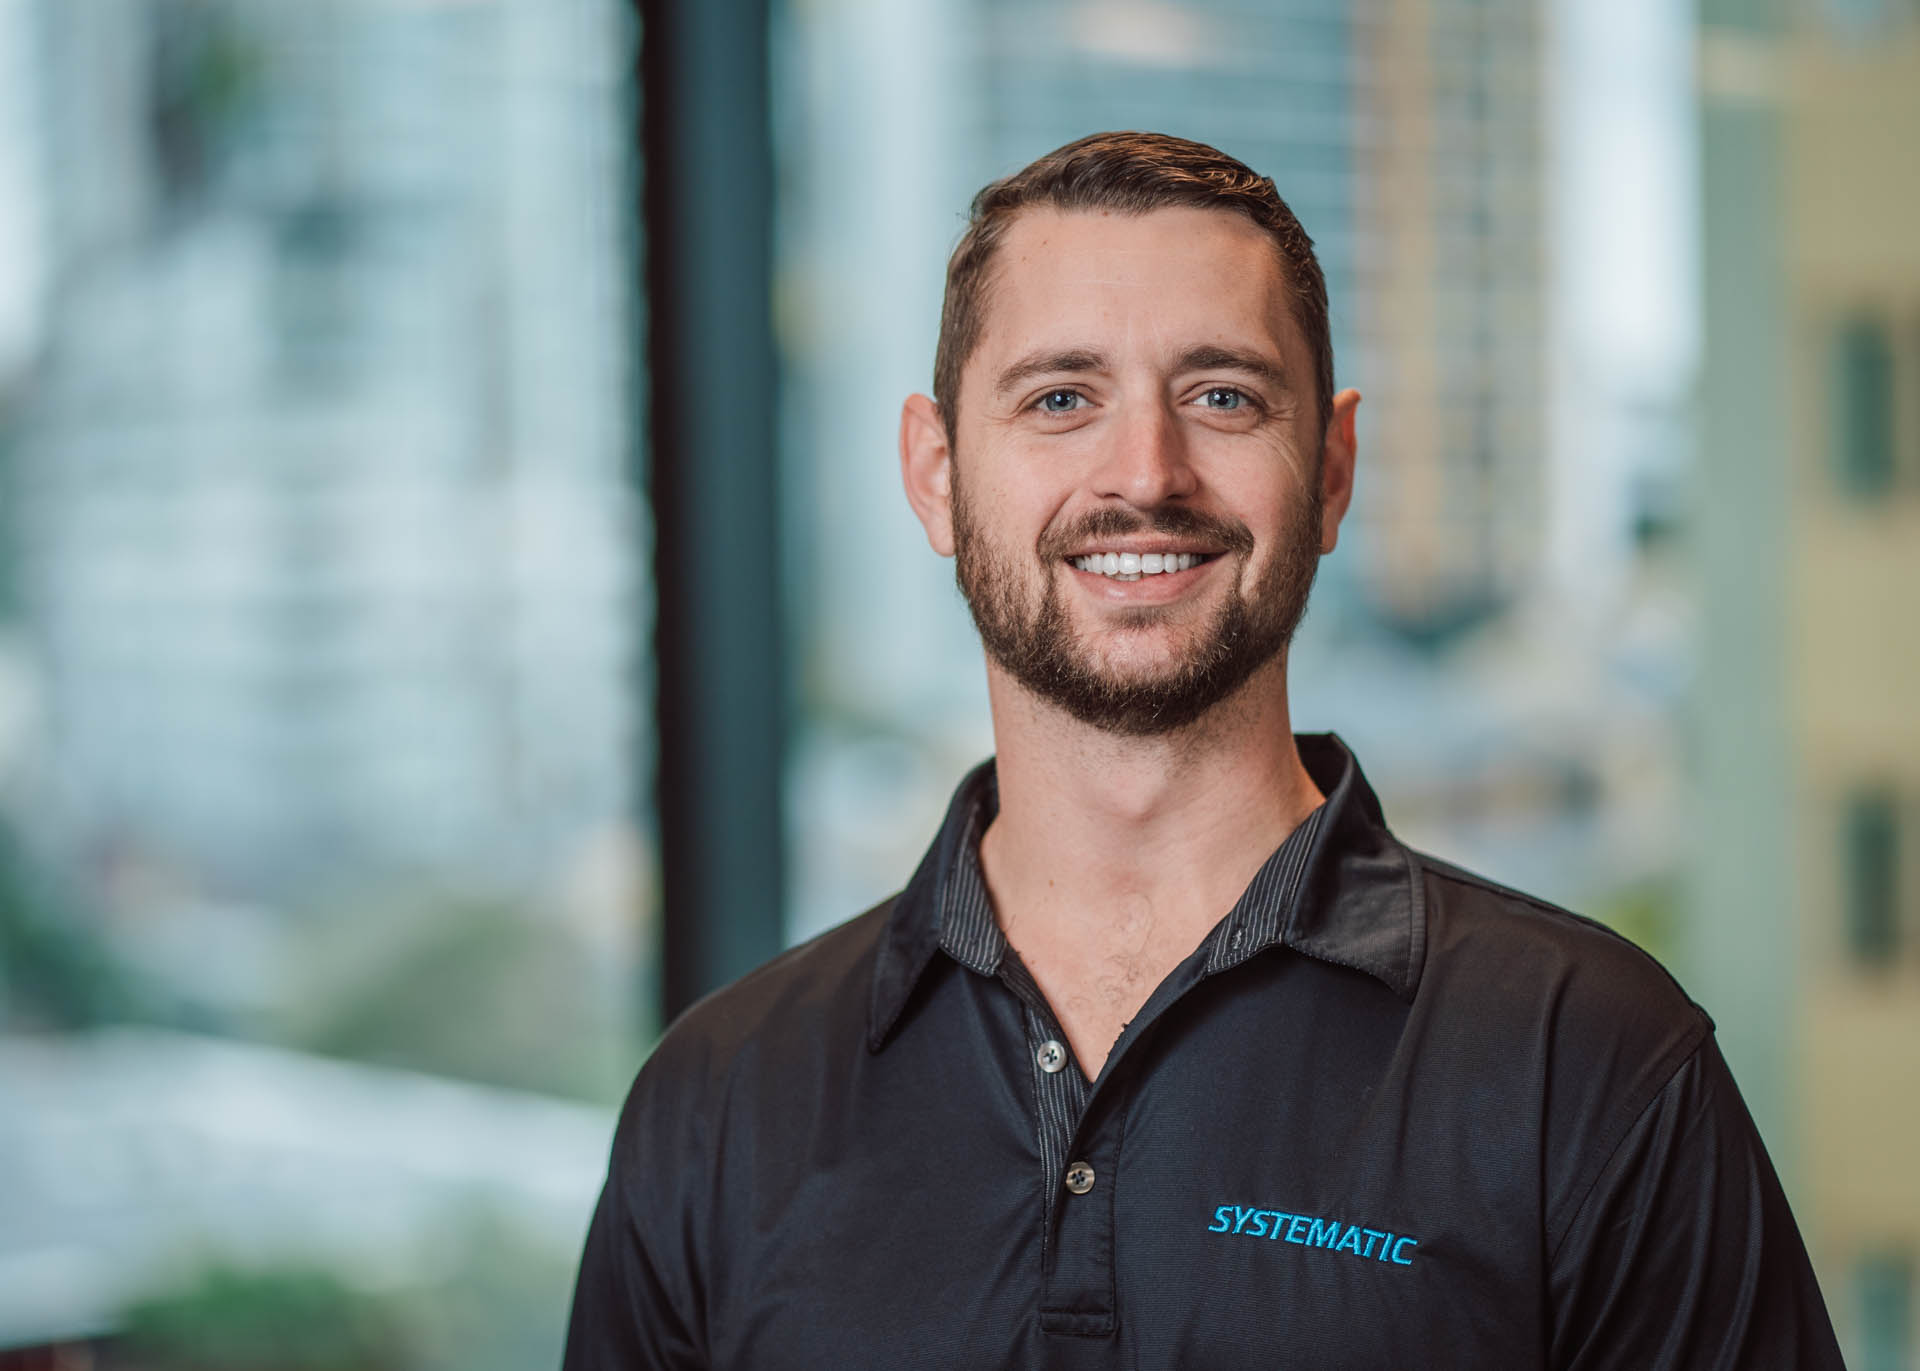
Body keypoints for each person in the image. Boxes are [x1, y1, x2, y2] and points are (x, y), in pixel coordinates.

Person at [563, 131, 1843, 1369]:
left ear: (1332, 467)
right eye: (1061, 398)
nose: (1147, 472)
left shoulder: (1592, 1061)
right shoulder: (721, 1097)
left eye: (1221, 396)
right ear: (938, 474)